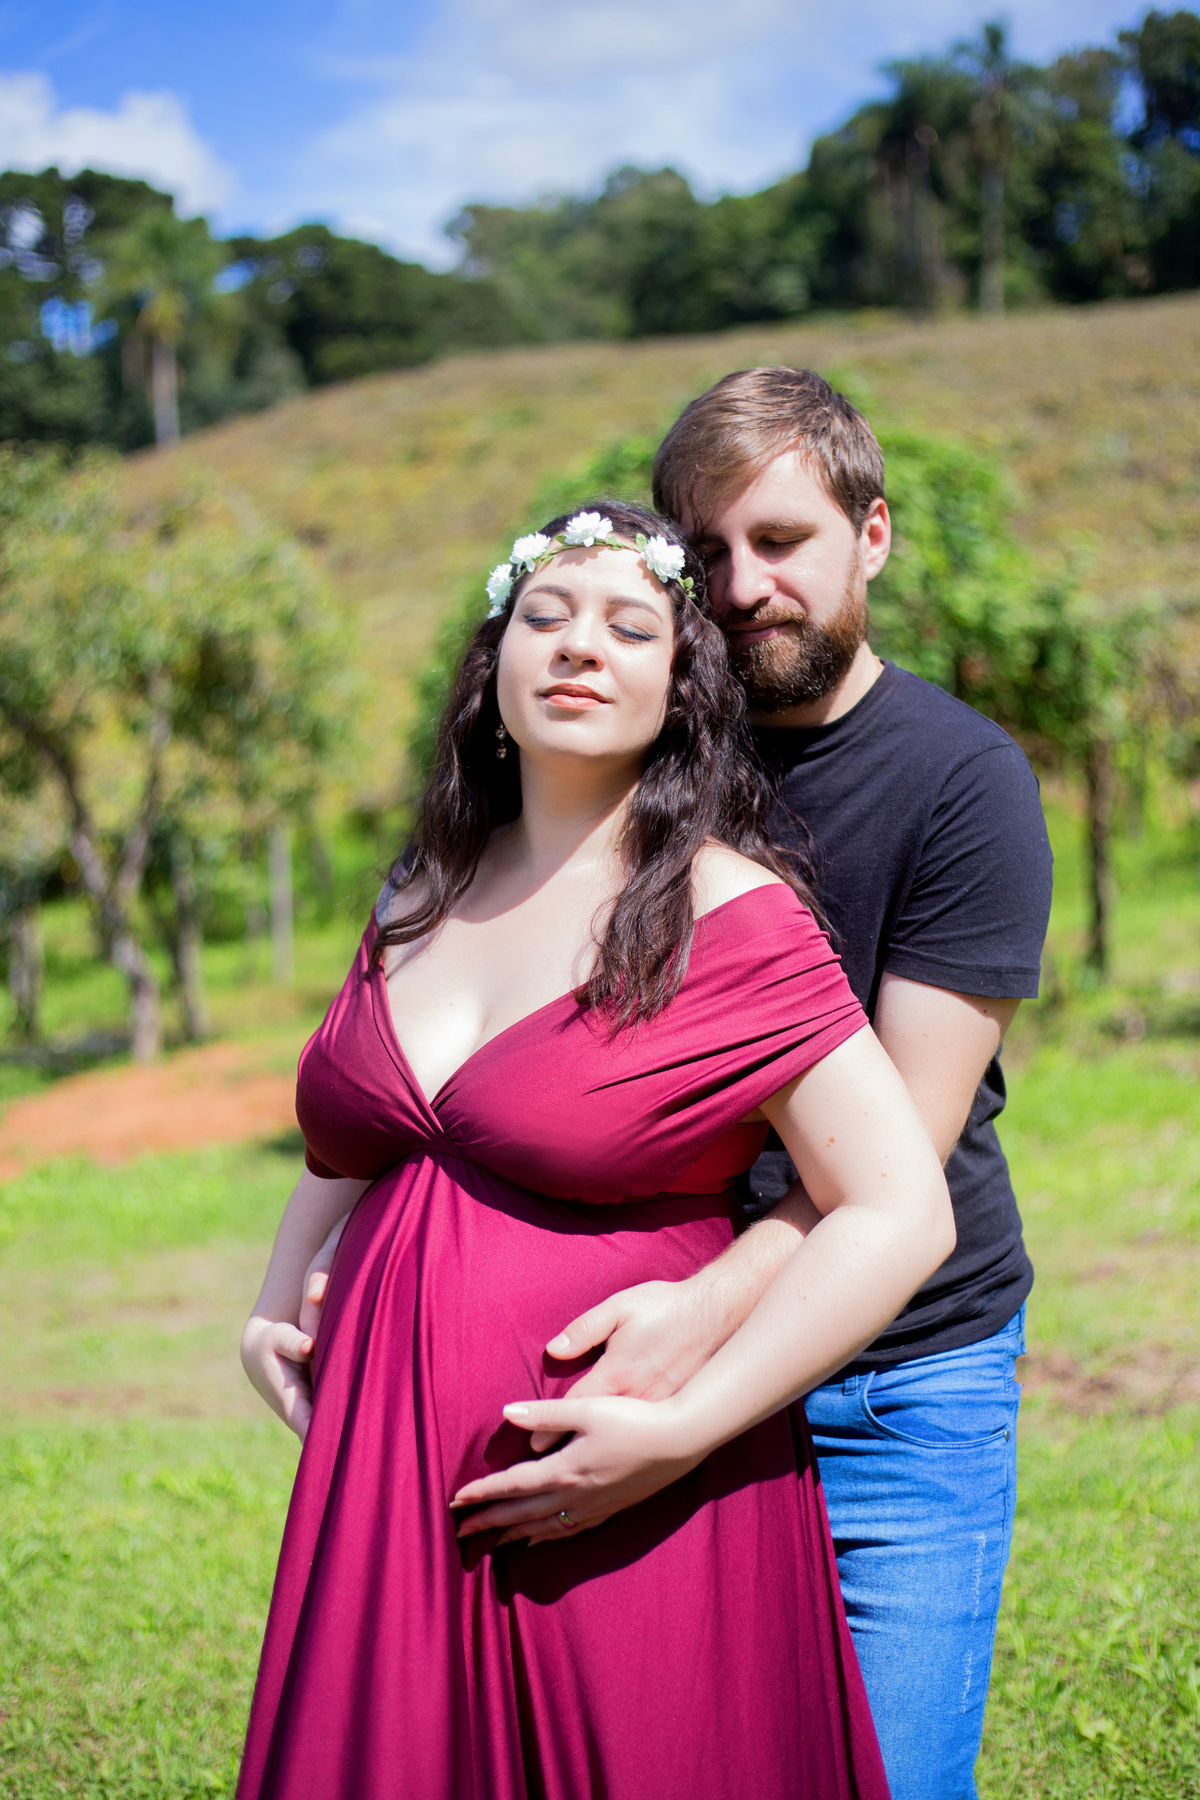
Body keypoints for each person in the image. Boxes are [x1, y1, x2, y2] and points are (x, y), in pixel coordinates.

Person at [238, 498, 954, 1799]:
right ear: (493, 665)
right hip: (385, 1487)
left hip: (629, 1510)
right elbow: (353, 1141)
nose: (579, 647)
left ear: (681, 691)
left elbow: (900, 1210)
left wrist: (683, 1428)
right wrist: (276, 1301)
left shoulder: (731, 916)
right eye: (546, 617)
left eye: (631, 627)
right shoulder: (420, 886)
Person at [452, 375, 1054, 1800]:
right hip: (659, 1365)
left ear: (874, 537)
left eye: (782, 540)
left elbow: (893, 1161)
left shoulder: (964, 783)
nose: (745, 587)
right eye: (707, 552)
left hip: (895, 1383)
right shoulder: (638, 778)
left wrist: (696, 1335)